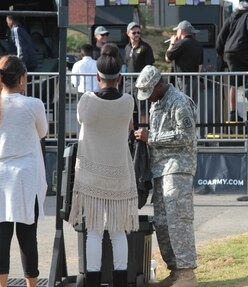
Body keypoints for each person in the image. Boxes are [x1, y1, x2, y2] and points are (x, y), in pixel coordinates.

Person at [0, 55, 48, 287]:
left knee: (0, 234)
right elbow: (42, 132)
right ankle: (31, 285)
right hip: (25, 177)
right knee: (27, 236)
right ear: (22, 79)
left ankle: (1, 286)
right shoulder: (34, 105)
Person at [68, 43, 139, 287]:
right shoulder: (128, 101)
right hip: (120, 172)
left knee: (94, 231)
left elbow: (81, 120)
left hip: (91, 173)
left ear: (97, 76)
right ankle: (120, 281)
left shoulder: (87, 101)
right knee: (119, 231)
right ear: (120, 76)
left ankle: (93, 281)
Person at [134, 65, 198, 287]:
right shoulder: (157, 102)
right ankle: (175, 271)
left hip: (178, 168)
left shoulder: (179, 101)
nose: (147, 97)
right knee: (162, 223)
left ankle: (187, 273)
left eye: (149, 92)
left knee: (178, 221)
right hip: (161, 169)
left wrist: (152, 137)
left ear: (159, 85)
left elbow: (187, 135)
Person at [124, 21, 155, 125]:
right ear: (128, 33)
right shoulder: (127, 47)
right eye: (134, 33)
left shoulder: (145, 47)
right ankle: (131, 135)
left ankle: (143, 135)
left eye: (138, 32)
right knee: (129, 110)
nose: (137, 34)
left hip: (141, 84)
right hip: (129, 83)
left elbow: (149, 66)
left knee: (143, 110)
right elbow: (126, 64)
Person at [165, 20, 203, 100]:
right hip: (194, 80)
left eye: (177, 30)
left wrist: (172, 43)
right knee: (192, 106)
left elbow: (168, 58)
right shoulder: (198, 44)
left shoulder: (180, 43)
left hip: (183, 81)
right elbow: (200, 65)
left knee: (183, 104)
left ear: (181, 30)